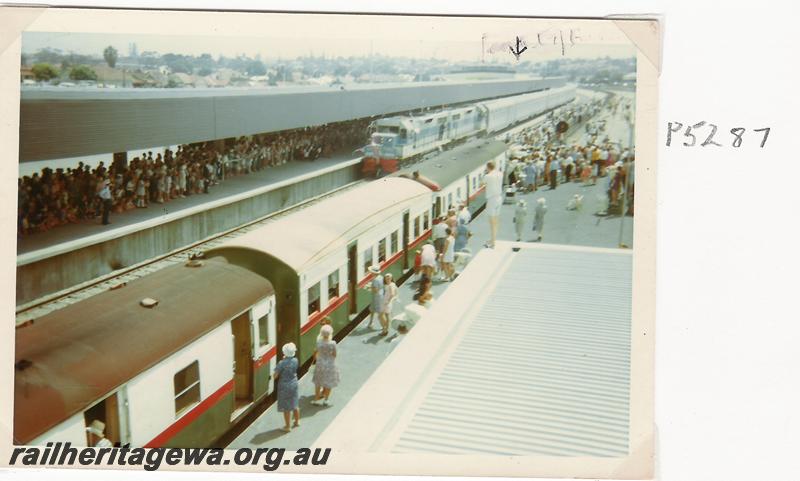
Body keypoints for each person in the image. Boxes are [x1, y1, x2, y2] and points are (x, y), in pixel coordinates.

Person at [311, 325, 340, 406]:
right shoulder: (333, 343)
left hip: (320, 363)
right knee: (329, 381)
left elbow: (315, 353)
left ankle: (316, 399)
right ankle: (326, 400)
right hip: (330, 364)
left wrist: (318, 359)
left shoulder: (318, 343)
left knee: (318, 382)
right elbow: (334, 355)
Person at [273, 343, 300, 432]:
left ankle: (287, 426)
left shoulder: (281, 363)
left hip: (284, 386)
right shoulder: (296, 360)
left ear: (284, 352)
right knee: (295, 403)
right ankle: (297, 421)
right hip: (294, 383)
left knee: (286, 407)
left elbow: (275, 376)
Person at [483, 161, 503, 248]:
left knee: (492, 222)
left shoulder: (487, 176)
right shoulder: (500, 174)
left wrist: (486, 173)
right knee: (496, 220)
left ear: (488, 167)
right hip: (499, 198)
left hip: (492, 199)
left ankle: (493, 242)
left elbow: (481, 183)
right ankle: (493, 239)